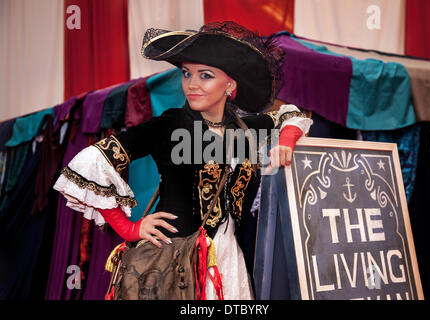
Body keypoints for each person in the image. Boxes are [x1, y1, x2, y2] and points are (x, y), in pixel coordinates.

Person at [53, 21, 313, 300]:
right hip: (174, 263)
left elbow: (291, 116)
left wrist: (286, 141)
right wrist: (129, 228)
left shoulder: (246, 128)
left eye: (205, 75)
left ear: (230, 84)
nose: (192, 84)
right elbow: (90, 161)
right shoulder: (169, 126)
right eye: (187, 74)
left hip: (228, 259)